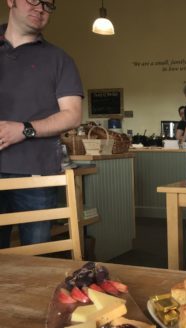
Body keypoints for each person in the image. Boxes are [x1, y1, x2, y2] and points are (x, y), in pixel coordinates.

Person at [0, 0, 83, 248]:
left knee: (36, 259)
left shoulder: (60, 59)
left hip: (37, 176)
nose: (41, 8)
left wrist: (24, 130)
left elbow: (72, 115)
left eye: (48, 4)